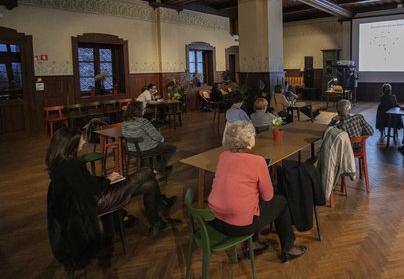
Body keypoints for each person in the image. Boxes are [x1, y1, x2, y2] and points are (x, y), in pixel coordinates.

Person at [46, 127, 176, 274]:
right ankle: (160, 208)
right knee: (146, 172)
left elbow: (84, 183)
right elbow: (88, 189)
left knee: (149, 184)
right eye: (80, 140)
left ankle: (157, 222)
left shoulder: (59, 162)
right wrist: (108, 180)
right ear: (69, 145)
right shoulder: (70, 165)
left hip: (92, 198)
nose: (84, 141)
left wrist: (106, 180)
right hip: (96, 201)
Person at [207, 121, 307, 262]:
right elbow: (268, 197)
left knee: (250, 198)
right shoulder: (257, 161)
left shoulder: (223, 156)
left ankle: (253, 244)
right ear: (249, 139)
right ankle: (289, 248)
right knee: (281, 202)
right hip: (238, 226)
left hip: (215, 219)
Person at [122, 101, 177, 175]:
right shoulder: (143, 122)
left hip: (131, 150)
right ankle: (158, 168)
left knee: (160, 145)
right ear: (138, 110)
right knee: (171, 148)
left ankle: (158, 167)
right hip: (146, 150)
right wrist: (161, 139)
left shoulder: (125, 122)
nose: (144, 110)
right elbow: (157, 137)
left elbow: (124, 134)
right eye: (143, 109)